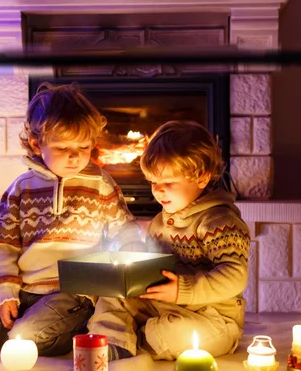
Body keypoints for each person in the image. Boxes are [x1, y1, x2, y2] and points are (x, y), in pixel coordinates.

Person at [0, 82, 142, 356]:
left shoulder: (100, 184)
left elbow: (125, 229)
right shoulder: (21, 189)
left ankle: (60, 329)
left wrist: (131, 263)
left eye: (83, 146)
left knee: (24, 336)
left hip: (72, 293)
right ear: (36, 143)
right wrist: (4, 293)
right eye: (63, 146)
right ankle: (24, 328)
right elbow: (1, 245)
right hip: (24, 289)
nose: (74, 156)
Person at [87, 120, 251, 361]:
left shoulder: (219, 222)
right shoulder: (159, 222)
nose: (158, 191)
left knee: (176, 333)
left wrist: (183, 289)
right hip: (163, 305)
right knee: (112, 298)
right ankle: (114, 343)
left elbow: (236, 275)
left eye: (169, 183)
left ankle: (136, 339)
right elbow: (152, 263)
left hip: (212, 317)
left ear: (202, 178)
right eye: (153, 183)